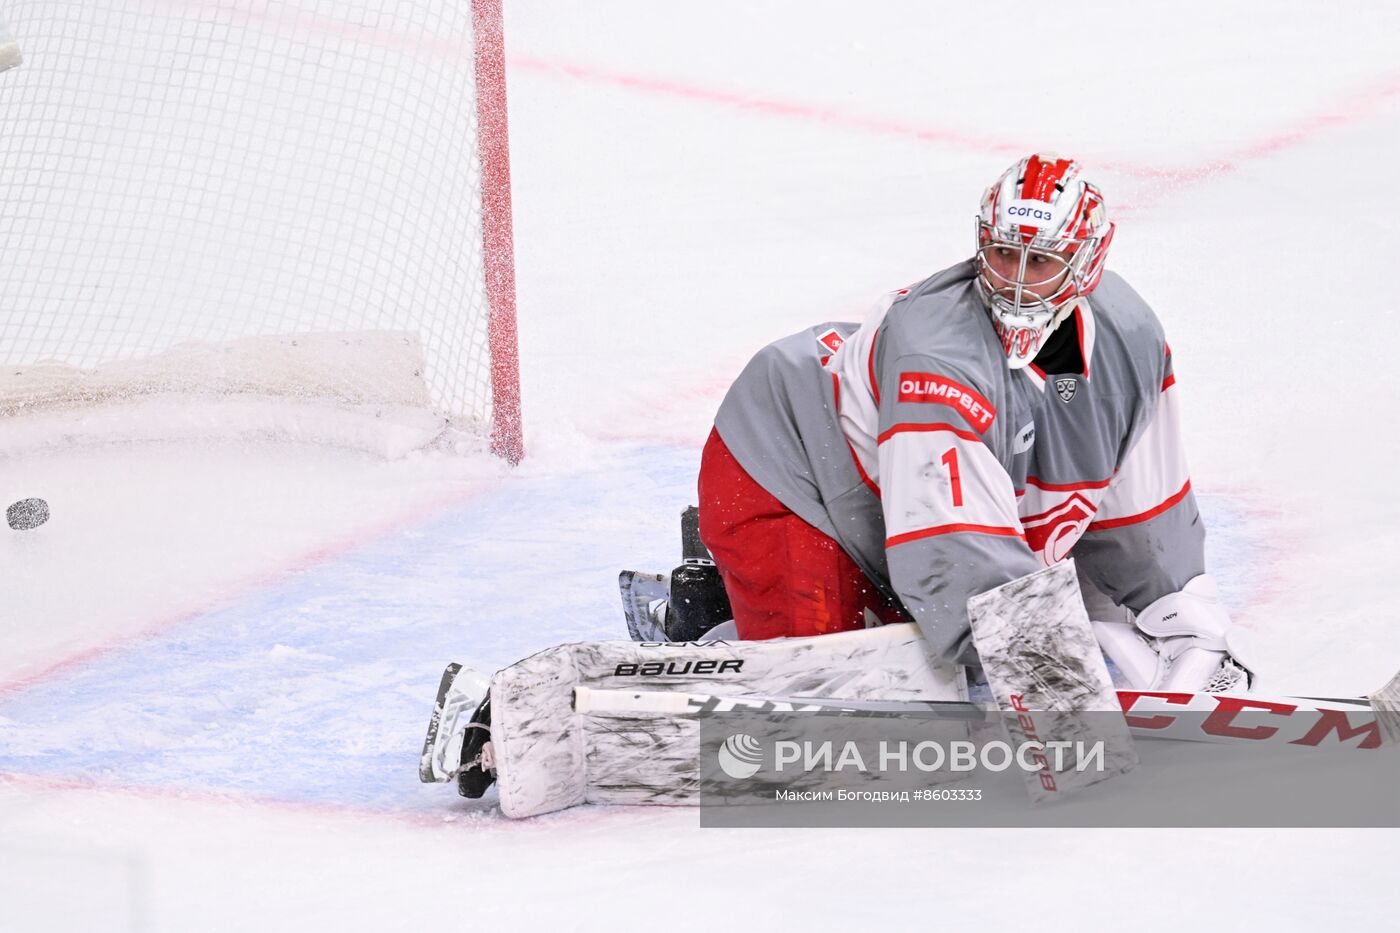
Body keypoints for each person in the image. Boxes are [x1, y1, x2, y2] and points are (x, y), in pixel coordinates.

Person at [698, 152, 1253, 694]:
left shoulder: (1127, 339)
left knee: (967, 654)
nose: (1014, 282)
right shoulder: (935, 357)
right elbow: (950, 552)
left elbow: (1142, 504)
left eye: (1039, 262)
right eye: (1004, 253)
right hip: (796, 467)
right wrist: (1050, 679)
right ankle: (717, 647)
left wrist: (1180, 612)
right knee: (837, 691)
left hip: (892, 498)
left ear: (1087, 262)